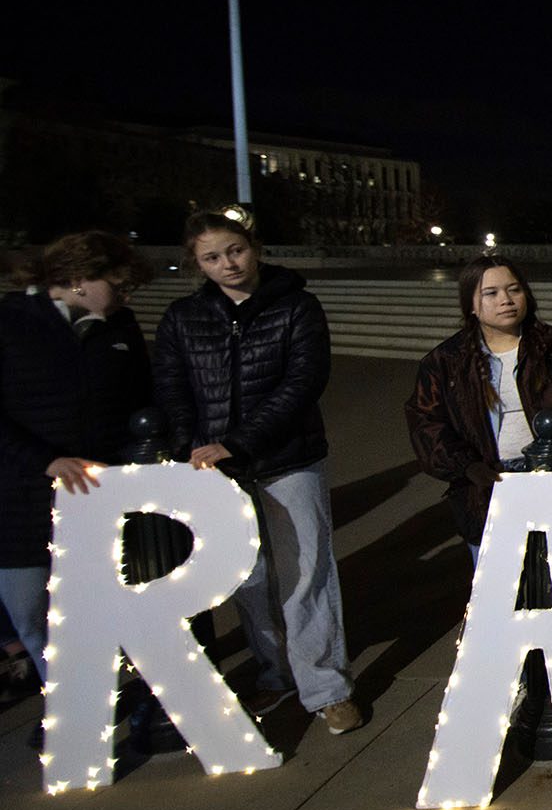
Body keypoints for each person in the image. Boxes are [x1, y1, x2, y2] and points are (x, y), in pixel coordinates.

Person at [152, 212, 365, 735]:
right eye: (212, 257)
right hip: (215, 467)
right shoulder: (183, 317)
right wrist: (190, 446)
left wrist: (238, 442)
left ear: (255, 247)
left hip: (289, 459)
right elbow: (171, 387)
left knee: (305, 574)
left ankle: (327, 688)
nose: (227, 264)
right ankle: (275, 670)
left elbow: (302, 383)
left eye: (235, 251)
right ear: (196, 264)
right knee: (248, 577)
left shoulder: (297, 306)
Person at [0, 233, 152, 714]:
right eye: (117, 282)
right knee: (31, 610)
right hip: (20, 497)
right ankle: (74, 713)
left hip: (97, 493)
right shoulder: (10, 321)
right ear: (79, 279)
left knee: (102, 604)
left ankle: (104, 701)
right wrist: (46, 461)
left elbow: (142, 399)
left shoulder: (120, 327)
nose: (125, 295)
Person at [404, 254, 552, 554]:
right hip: (489, 484)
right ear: (472, 306)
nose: (505, 300)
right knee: (500, 588)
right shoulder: (445, 362)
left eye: (514, 289)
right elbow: (427, 422)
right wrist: (466, 465)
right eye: (490, 293)